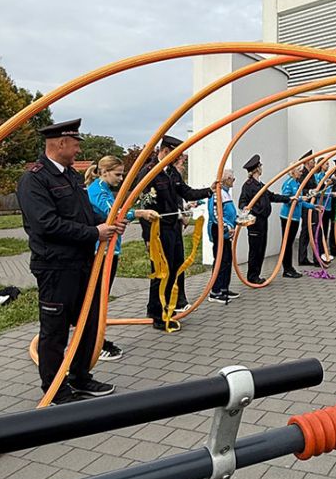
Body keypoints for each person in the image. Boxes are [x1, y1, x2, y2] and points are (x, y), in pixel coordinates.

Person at [17, 119, 124, 401]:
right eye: (76, 143)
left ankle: (80, 376)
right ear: (61, 143)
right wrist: (93, 232)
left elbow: (83, 211)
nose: (78, 149)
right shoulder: (35, 180)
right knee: (55, 331)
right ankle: (55, 390)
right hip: (55, 267)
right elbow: (46, 224)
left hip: (82, 264)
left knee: (88, 323)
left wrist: (107, 223)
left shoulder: (71, 177)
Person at [85, 155, 157, 359]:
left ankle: (96, 339)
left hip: (110, 250)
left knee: (101, 299)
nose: (120, 178)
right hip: (101, 251)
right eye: (117, 174)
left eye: (122, 174)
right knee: (97, 300)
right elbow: (114, 214)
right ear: (104, 172)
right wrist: (140, 213)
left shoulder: (105, 190)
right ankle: (94, 344)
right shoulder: (97, 191)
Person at [141, 135, 213, 332]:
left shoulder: (172, 173)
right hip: (158, 231)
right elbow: (144, 207)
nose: (180, 159)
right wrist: (148, 237)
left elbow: (187, 193)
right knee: (160, 272)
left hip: (174, 229)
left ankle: (166, 307)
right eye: (177, 154)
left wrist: (210, 190)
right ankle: (157, 315)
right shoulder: (149, 172)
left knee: (174, 268)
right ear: (165, 151)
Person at [237, 154, 290, 284]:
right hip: (255, 222)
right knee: (255, 249)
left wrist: (288, 198)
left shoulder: (261, 185)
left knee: (261, 248)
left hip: (263, 221)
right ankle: (252, 276)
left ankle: (257, 275)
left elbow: (272, 196)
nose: (262, 168)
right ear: (256, 169)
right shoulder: (248, 186)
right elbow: (242, 203)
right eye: (260, 166)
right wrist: (249, 210)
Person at [206, 168, 239, 304]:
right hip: (219, 230)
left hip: (227, 231)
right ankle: (215, 291)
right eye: (232, 178)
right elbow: (215, 215)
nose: (234, 181)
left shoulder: (226, 193)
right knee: (220, 259)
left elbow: (228, 212)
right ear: (226, 179)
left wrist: (237, 219)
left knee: (227, 259)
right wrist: (227, 227)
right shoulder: (216, 193)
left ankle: (224, 288)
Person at [280, 155, 313, 278]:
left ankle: (289, 268)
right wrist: (299, 198)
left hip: (295, 217)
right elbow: (286, 199)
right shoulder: (288, 183)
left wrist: (313, 207)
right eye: (299, 170)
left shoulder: (297, 183)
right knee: (287, 244)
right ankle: (287, 269)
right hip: (287, 217)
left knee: (290, 242)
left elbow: (300, 201)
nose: (301, 172)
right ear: (293, 171)